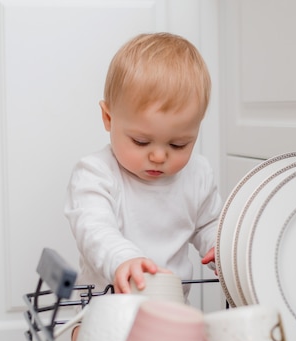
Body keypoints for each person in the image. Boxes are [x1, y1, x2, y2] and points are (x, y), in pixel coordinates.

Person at [64, 32, 222, 301]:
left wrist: (222, 247)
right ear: (108, 118)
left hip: (169, 308)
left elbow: (209, 224)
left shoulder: (197, 174)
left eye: (178, 144)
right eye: (141, 141)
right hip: (107, 308)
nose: (159, 156)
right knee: (87, 337)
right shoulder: (95, 174)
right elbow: (94, 229)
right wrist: (124, 259)